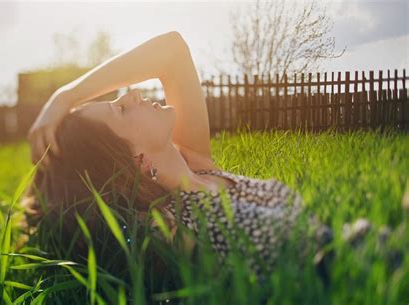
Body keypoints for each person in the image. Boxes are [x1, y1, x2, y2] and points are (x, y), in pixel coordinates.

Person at [22, 31, 399, 286]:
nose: (132, 94)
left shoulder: (197, 161)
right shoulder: (168, 224)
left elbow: (172, 50)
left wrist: (67, 95)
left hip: (369, 245)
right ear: (133, 161)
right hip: (352, 273)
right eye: (120, 110)